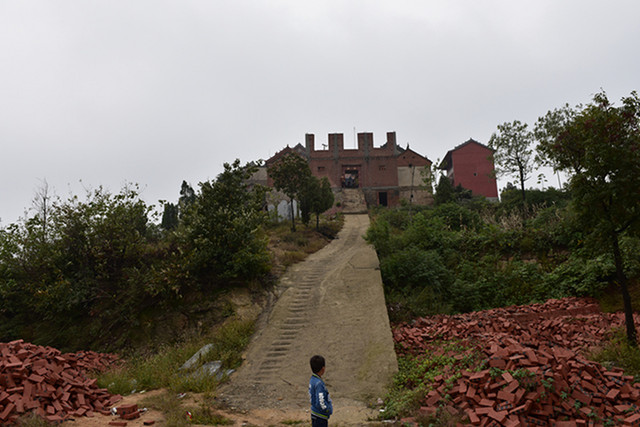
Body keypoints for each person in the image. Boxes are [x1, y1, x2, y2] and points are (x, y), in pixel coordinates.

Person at [309, 355, 333, 426]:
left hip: (315, 414)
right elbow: (320, 402)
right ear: (323, 369)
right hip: (320, 417)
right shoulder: (319, 384)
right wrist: (327, 410)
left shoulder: (313, 379)